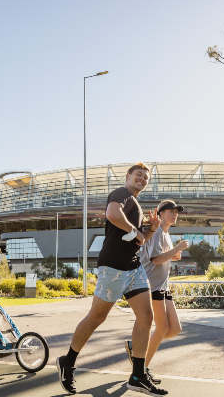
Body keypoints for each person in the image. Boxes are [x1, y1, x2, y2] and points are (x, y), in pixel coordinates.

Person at [56, 162, 169, 396]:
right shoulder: (121, 193)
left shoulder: (135, 203)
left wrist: (151, 229)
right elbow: (112, 214)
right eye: (139, 175)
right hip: (113, 267)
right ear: (128, 176)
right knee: (97, 317)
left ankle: (138, 375)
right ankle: (68, 361)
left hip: (133, 267)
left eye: (146, 177)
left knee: (146, 317)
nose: (142, 179)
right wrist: (135, 230)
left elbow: (139, 241)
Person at [124, 200, 189, 385]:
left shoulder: (166, 233)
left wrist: (174, 255)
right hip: (151, 285)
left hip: (163, 285)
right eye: (171, 211)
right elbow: (155, 260)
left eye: (176, 212)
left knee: (174, 328)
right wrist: (177, 249)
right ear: (160, 214)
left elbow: (163, 257)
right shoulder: (156, 232)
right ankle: (141, 370)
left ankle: (137, 346)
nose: (175, 214)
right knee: (161, 328)